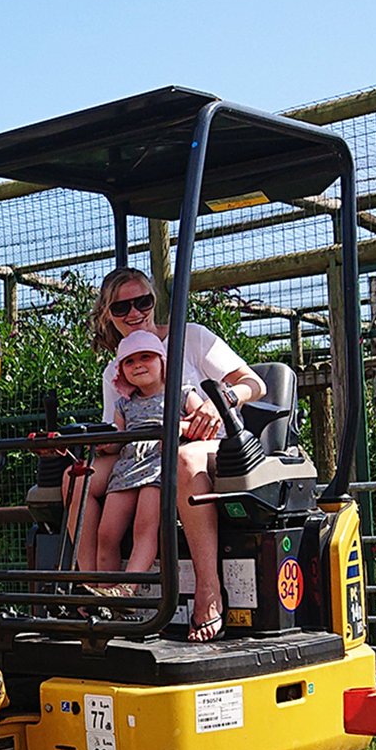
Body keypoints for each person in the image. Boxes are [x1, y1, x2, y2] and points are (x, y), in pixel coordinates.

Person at [72, 267, 265, 642]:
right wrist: (93, 443)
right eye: (121, 307)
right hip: (145, 450)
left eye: (142, 301)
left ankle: (209, 591)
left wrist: (221, 401)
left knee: (184, 460)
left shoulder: (191, 337)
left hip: (212, 443)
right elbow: (119, 433)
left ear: (154, 301)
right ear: (108, 314)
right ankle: (96, 589)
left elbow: (253, 383)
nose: (134, 312)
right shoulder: (118, 368)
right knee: (76, 477)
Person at [94, 331, 204, 591]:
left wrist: (179, 429)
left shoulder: (182, 394)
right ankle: (102, 590)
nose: (138, 365)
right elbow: (118, 440)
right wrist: (105, 444)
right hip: (127, 468)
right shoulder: (124, 405)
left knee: (144, 528)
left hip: (159, 467)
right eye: (129, 361)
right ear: (121, 371)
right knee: (106, 533)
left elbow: (202, 427)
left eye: (146, 357)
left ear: (162, 362)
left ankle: (127, 589)